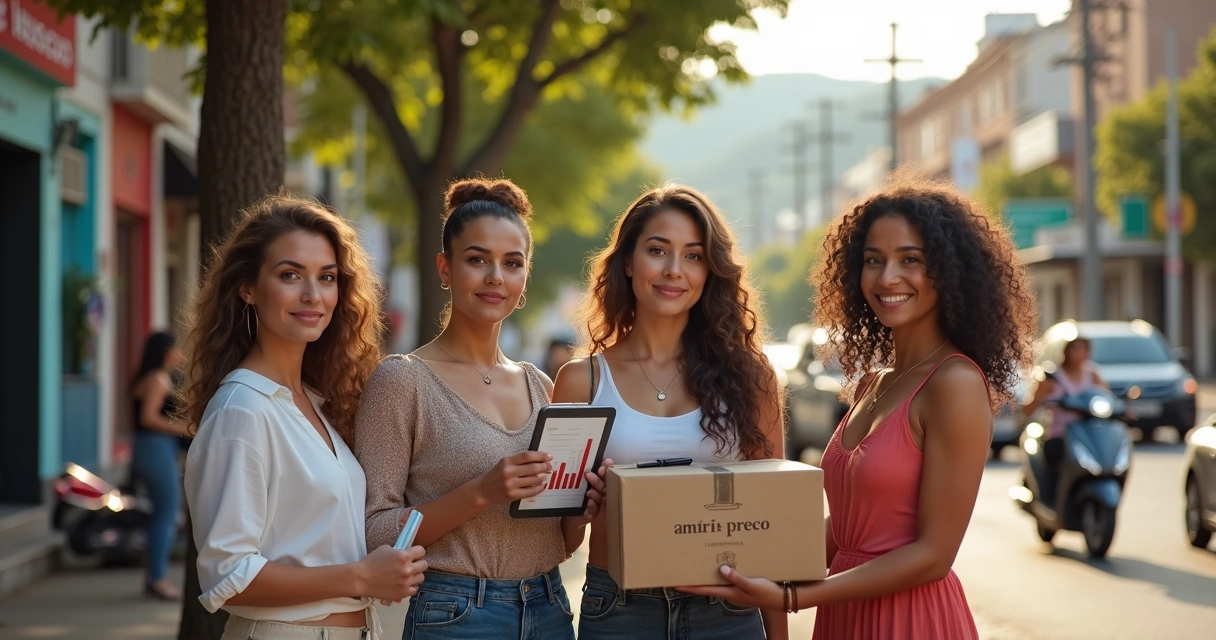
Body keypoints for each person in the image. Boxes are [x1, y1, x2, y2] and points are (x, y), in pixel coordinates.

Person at [683, 176, 1038, 640]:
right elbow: (852, 525)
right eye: (874, 260)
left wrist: (793, 597)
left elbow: (933, 556)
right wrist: (740, 556)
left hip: (909, 619)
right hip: (845, 614)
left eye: (910, 259)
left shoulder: (954, 383)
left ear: (950, 271)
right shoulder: (875, 382)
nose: (887, 277)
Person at [355, 178, 607, 639]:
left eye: (512, 263)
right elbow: (375, 532)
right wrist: (480, 492)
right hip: (454, 615)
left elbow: (561, 543)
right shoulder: (403, 380)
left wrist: (580, 509)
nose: (496, 277)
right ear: (445, 268)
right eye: (477, 260)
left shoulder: (541, 386)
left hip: (550, 608)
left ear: (525, 275)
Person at [181, 195, 427, 640]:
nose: (313, 294)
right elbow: (229, 576)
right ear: (248, 288)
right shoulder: (242, 409)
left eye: (327, 277)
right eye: (290, 275)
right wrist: (360, 577)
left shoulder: (316, 403)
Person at [551, 185, 787, 640]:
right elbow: (559, 541)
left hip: (728, 610)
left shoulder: (751, 378)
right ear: (628, 261)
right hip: (618, 610)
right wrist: (580, 511)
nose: (674, 270)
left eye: (693, 255)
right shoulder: (582, 382)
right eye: (657, 250)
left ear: (710, 270)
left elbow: (771, 528)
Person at [129, 330, 188, 601]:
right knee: (168, 514)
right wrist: (184, 428)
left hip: (146, 448)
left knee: (161, 514)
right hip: (156, 448)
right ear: (166, 351)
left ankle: (154, 576)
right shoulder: (158, 379)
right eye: (176, 348)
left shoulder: (148, 377)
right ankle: (158, 579)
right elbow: (149, 417)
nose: (179, 354)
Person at [1022, 335, 1110, 478]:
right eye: (1075, 349)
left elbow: (1107, 397)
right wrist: (1042, 398)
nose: (1080, 353)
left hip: (1089, 433)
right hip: (1060, 434)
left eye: (1083, 349)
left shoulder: (1092, 374)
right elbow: (1029, 408)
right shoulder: (1052, 377)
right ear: (1066, 351)